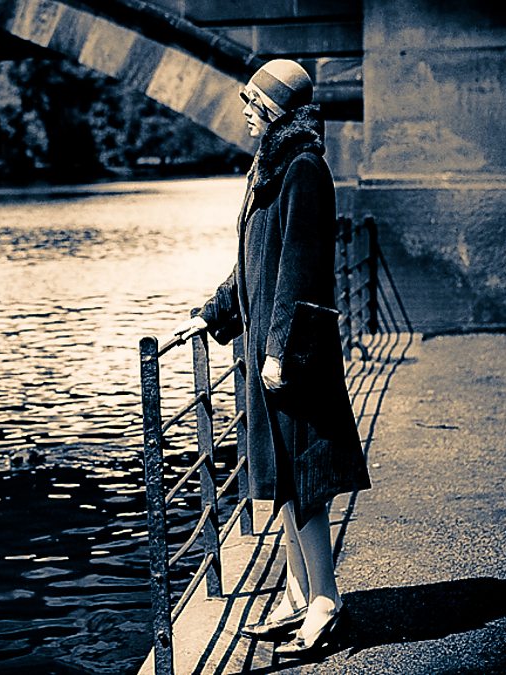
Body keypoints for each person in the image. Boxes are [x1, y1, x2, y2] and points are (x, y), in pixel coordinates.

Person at [173, 59, 370, 658]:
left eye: (251, 99)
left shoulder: (303, 169)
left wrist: (280, 351)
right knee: (285, 477)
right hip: (272, 349)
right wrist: (211, 314)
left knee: (304, 480)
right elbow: (252, 263)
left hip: (293, 356)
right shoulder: (271, 164)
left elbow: (299, 272)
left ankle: (325, 603)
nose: (242, 109)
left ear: (275, 106)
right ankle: (296, 593)